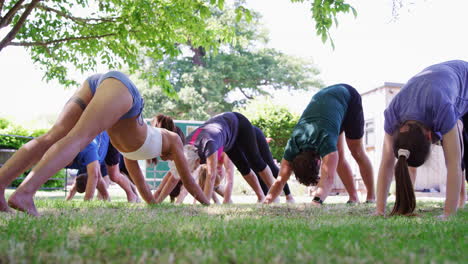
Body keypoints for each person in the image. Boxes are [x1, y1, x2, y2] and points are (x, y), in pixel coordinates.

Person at [0, 71, 209, 216]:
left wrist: (153, 204)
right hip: (123, 90)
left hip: (101, 83)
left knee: (53, 136)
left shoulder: (133, 152)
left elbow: (142, 186)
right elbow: (189, 181)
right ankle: (25, 194)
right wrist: (208, 203)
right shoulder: (172, 141)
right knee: (78, 137)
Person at [376, 60, 468, 218]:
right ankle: (461, 199)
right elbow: (386, 165)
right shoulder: (393, 113)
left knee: (461, 151)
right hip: (439, 84)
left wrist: (448, 214)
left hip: (463, 78)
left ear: (429, 136)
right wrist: (379, 211)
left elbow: (453, 163)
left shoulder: (441, 108)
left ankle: (461, 199)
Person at [265, 83, 375, 205]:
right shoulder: (292, 146)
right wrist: (267, 201)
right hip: (326, 104)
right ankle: (353, 198)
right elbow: (280, 180)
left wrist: (316, 202)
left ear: (318, 162)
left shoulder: (324, 142)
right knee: (339, 157)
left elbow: (328, 178)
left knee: (356, 151)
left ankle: (371, 197)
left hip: (347, 97)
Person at [184, 112, 276, 203]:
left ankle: (274, 195)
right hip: (228, 139)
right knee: (243, 168)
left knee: (255, 161)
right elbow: (176, 173)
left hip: (239, 124)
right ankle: (261, 197)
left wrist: (205, 203)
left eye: (195, 166)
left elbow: (211, 175)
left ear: (196, 159)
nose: (196, 168)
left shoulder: (209, 144)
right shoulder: (185, 147)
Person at [252, 126, 295, 203]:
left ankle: (289, 196)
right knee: (256, 169)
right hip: (244, 140)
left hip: (255, 134)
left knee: (271, 167)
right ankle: (267, 197)